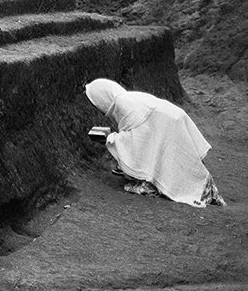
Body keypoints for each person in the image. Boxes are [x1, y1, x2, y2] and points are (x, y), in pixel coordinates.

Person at [84, 79, 225, 207]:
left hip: (167, 123)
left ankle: (158, 185)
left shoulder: (122, 103)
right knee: (182, 159)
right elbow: (140, 132)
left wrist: (110, 139)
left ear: (102, 98)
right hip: (173, 117)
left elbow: (138, 140)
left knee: (172, 162)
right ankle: (207, 191)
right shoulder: (128, 97)